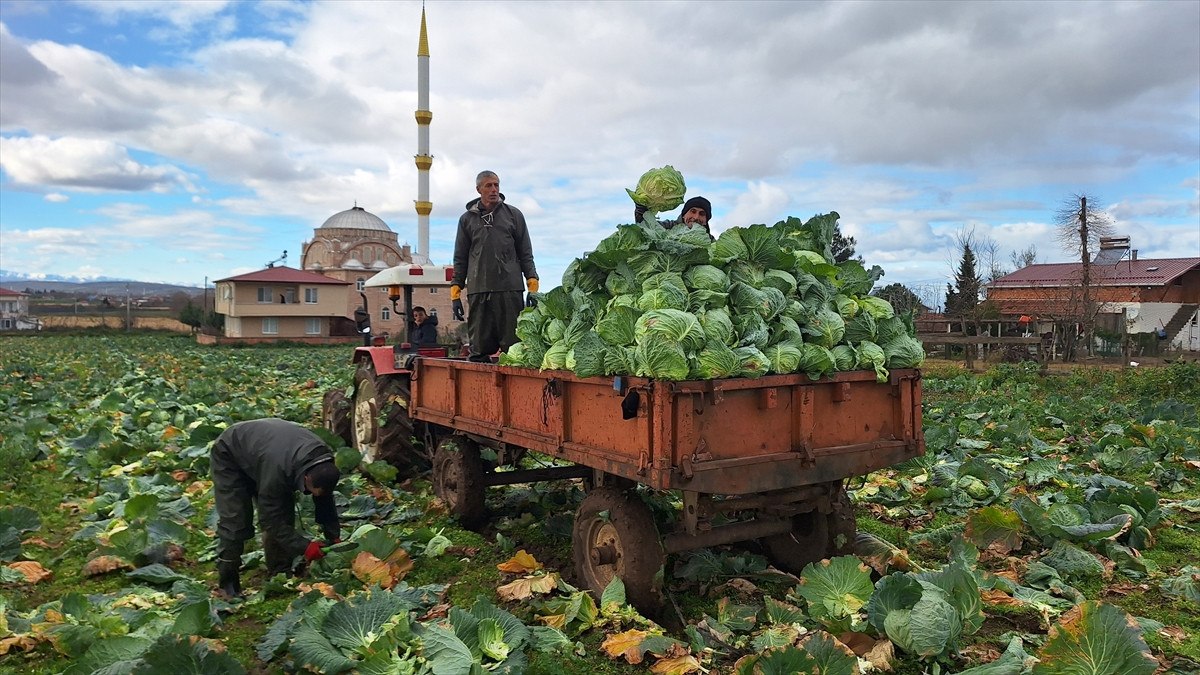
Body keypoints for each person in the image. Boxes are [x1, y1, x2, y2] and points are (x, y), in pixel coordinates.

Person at [210, 418, 341, 598]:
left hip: (265, 452)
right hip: (231, 454)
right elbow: (271, 520)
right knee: (236, 522)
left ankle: (280, 572)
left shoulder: (323, 462)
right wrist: (305, 547)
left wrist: (333, 536)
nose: (313, 495)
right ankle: (228, 583)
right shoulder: (279, 471)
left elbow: (324, 498)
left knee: (285, 515)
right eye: (310, 491)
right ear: (306, 479)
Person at [451, 170, 539, 362]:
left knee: (514, 348)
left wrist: (532, 285)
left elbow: (526, 253)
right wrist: (455, 293)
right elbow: (460, 258)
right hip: (479, 290)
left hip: (509, 289)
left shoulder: (514, 215)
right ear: (478, 189)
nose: (494, 189)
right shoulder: (466, 220)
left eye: (496, 185)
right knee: (479, 348)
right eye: (488, 185)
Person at [634, 195, 714, 238]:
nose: (696, 217)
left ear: (706, 220)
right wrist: (641, 205)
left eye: (702, 214)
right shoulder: (667, 227)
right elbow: (645, 226)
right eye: (693, 211)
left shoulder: (710, 241)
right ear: (684, 215)